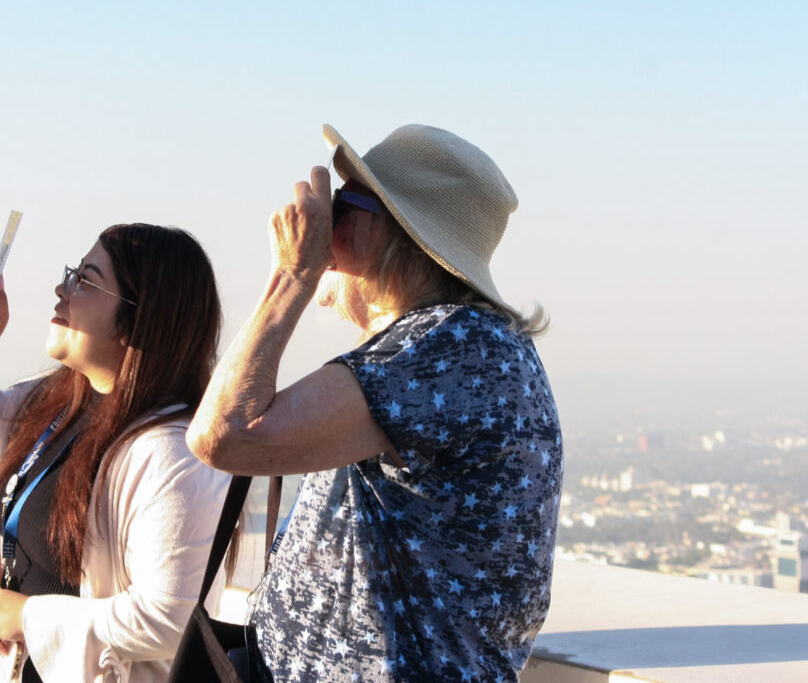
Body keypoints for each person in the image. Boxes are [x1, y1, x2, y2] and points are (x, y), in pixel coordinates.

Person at [186, 125, 563, 682]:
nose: (322, 227)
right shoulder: (458, 346)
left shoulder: (451, 346)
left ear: (397, 238)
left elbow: (223, 433)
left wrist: (293, 274)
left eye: (343, 207)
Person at [0, 224, 232, 683]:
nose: (62, 289)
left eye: (86, 279)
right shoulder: (54, 403)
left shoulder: (172, 453)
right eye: (72, 273)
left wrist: (28, 618)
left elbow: (171, 621)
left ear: (135, 322)